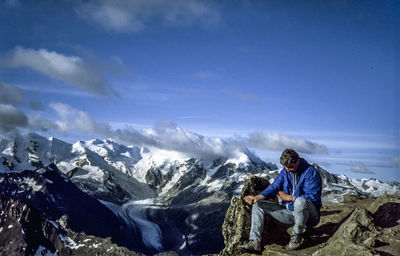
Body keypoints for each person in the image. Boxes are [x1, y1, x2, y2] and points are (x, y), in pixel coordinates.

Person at [239, 148, 322, 252]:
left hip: (309, 217)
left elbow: (313, 198)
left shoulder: (310, 172)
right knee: (258, 205)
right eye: (285, 167)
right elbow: (274, 186)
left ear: (298, 161)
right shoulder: (285, 171)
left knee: (301, 201)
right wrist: (257, 197)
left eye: (290, 167)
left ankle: (297, 236)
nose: (287, 169)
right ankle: (255, 242)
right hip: (290, 213)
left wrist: (289, 198)